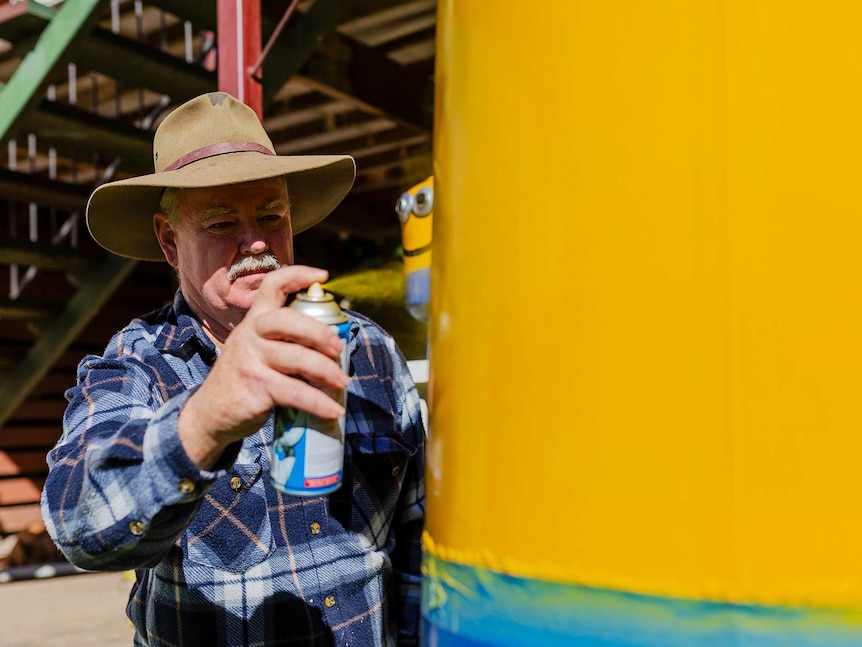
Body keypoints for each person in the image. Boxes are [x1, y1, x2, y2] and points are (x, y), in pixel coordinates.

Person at [40, 92, 425, 647]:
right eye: (221, 223)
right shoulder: (136, 365)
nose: (258, 242)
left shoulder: (367, 348)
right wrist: (207, 419)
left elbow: (418, 533)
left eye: (272, 214)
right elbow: (77, 525)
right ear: (170, 242)